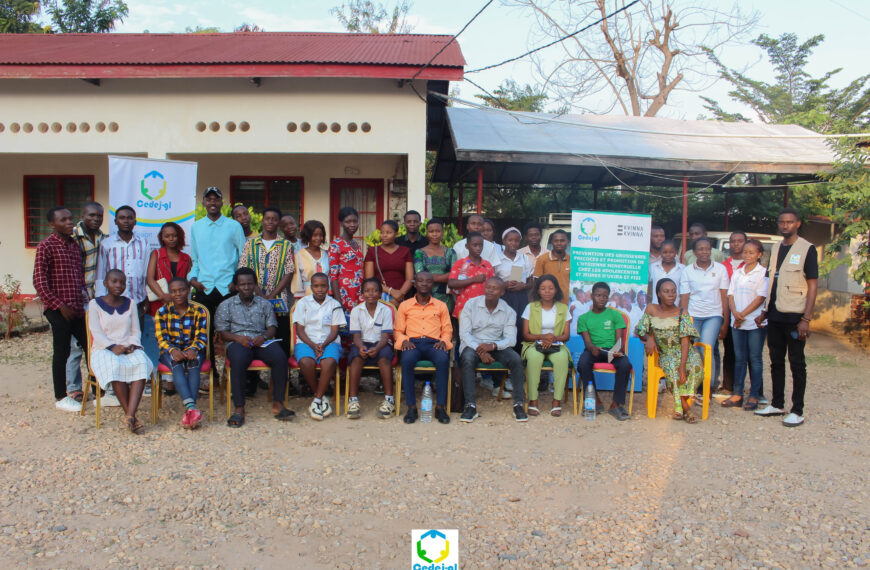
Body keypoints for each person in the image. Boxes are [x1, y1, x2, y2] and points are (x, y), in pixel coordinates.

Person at [754, 208, 818, 427]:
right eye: (782, 222)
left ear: (797, 224)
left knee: (797, 363)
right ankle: (777, 404)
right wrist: (765, 310)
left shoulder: (807, 248)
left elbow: (812, 284)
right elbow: (773, 280)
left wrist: (806, 319)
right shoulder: (776, 247)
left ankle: (797, 409)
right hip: (775, 315)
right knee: (776, 361)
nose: (785, 226)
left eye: (789, 222)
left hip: (795, 315)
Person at [216, 268, 293, 427]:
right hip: (237, 341)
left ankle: (278, 404)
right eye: (242, 284)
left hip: (261, 341)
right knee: (238, 359)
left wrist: (264, 337)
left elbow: (272, 327)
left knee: (280, 357)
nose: (246, 287)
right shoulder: (226, 305)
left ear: (255, 285)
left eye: (250, 284)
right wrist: (238, 338)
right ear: (236, 286)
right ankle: (239, 408)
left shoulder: (264, 304)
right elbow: (222, 332)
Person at [33, 206, 90, 411]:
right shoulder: (46, 246)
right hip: (57, 310)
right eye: (63, 220)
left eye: (70, 219)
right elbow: (39, 282)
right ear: (52, 224)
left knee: (90, 347)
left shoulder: (74, 246)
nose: (69, 223)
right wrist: (59, 306)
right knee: (62, 351)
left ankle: (99, 389)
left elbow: (78, 278)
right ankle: (61, 397)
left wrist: (83, 302)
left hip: (76, 308)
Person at [88, 269, 153, 434]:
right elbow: (96, 332)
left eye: (122, 282)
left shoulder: (130, 303)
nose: (118, 285)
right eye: (114, 281)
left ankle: (130, 415)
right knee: (115, 365)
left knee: (142, 363)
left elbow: (135, 331)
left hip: (127, 346)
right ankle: (131, 416)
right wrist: (112, 347)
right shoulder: (94, 304)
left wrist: (132, 345)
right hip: (104, 349)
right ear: (105, 283)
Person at [188, 187, 247, 367]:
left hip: (227, 287)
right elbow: (195, 259)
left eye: (216, 199)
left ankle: (238, 372)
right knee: (204, 331)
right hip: (204, 287)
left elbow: (243, 256)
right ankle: (210, 371)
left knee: (235, 330)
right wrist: (193, 279)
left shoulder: (233, 226)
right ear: (204, 203)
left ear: (222, 203)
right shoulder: (196, 227)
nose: (212, 202)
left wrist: (236, 282)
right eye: (209, 199)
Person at [458, 277, 528, 423]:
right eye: (488, 287)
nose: (490, 290)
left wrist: (493, 346)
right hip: (473, 344)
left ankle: (519, 404)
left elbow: (511, 339)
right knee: (467, 359)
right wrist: (480, 349)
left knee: (515, 359)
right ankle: (470, 405)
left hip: (496, 345)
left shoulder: (508, 311)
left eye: (494, 288)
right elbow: (464, 333)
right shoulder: (471, 304)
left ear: (502, 292)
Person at [635, 278, 704, 423]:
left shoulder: (682, 312)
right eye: (666, 291)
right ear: (659, 294)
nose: (671, 295)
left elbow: (685, 342)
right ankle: (685, 409)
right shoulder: (651, 309)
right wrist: (649, 338)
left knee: (696, 369)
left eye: (673, 291)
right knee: (672, 368)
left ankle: (680, 407)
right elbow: (640, 329)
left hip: (686, 353)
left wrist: (683, 367)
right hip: (667, 353)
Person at [395, 272, 453, 424]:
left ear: (432, 285)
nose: (424, 284)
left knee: (442, 360)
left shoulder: (441, 305)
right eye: (420, 281)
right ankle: (411, 408)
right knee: (406, 360)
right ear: (414, 284)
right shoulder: (405, 305)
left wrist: (444, 341)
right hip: (412, 343)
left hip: (434, 343)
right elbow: (398, 330)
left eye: (428, 281)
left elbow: (447, 329)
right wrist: (403, 340)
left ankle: (440, 407)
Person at [238, 206, 297, 356]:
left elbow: (289, 271)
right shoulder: (250, 244)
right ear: (262, 221)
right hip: (253, 298)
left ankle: (283, 375)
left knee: (282, 334)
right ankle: (253, 377)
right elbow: (244, 270)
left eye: (274, 219)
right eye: (267, 219)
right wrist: (259, 293)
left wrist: (271, 296)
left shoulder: (285, 245)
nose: (270, 222)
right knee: (254, 333)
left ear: (278, 223)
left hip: (279, 299)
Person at [65, 201, 106, 408]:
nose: (96, 219)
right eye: (92, 215)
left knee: (96, 344)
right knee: (75, 346)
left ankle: (97, 385)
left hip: (96, 300)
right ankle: (73, 388)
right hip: (76, 299)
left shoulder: (103, 238)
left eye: (99, 215)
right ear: (83, 215)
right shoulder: (72, 237)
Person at [154, 277, 208, 429]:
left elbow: (201, 335)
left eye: (182, 290)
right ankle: (192, 408)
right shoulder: (162, 312)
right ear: (169, 293)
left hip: (192, 349)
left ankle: (190, 410)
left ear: (189, 291)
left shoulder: (198, 311)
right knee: (176, 364)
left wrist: (194, 348)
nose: (178, 294)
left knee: (194, 364)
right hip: (170, 350)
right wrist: (173, 350)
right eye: (173, 291)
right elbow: (161, 337)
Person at [576, 282, 633, 421]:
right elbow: (587, 343)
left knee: (625, 364)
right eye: (598, 295)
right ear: (592, 296)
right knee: (583, 363)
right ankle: (594, 400)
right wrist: (592, 348)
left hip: (612, 351)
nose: (601, 298)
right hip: (593, 350)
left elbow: (619, 342)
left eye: (605, 296)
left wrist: (616, 351)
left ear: (608, 298)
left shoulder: (615, 315)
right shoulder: (583, 318)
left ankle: (616, 404)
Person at [679, 237, 730, 392]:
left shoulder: (720, 269)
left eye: (707, 249)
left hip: (713, 315)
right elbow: (685, 297)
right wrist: (685, 319)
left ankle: (707, 388)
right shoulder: (687, 271)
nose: (704, 252)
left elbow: (724, 296)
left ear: (712, 251)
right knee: (692, 350)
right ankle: (693, 385)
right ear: (694, 252)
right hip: (693, 315)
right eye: (700, 249)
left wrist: (725, 321)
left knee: (706, 348)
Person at [293, 273, 345, 420]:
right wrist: (314, 345)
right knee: (305, 361)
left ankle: (316, 400)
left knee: (329, 361)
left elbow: (335, 331)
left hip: (329, 341)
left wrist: (322, 345)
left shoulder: (334, 304)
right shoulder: (303, 303)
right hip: (306, 341)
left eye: (323, 286)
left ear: (328, 287)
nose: (320, 289)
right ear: (311, 287)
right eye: (316, 286)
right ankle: (321, 396)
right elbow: (300, 330)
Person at [724, 239, 768, 410]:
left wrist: (743, 314)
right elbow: (731, 295)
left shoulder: (763, 273)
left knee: (755, 359)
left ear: (759, 255)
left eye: (751, 252)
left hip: (755, 322)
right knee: (739, 358)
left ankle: (755, 395)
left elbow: (760, 298)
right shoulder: (738, 273)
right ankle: (737, 393)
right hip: (738, 322)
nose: (747, 255)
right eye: (745, 252)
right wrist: (735, 313)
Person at [521, 275, 572, 417]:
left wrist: (553, 338)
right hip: (533, 344)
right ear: (538, 291)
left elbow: (566, 336)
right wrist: (543, 337)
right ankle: (533, 401)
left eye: (551, 288)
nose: (547, 291)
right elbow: (526, 334)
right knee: (535, 358)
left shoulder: (563, 308)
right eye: (543, 288)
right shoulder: (530, 307)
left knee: (562, 358)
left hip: (556, 345)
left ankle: (556, 402)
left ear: (556, 290)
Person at [347, 278, 396, 419]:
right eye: (367, 291)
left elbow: (385, 336)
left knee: (384, 359)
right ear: (362, 294)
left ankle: (389, 399)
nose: (371, 294)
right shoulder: (356, 311)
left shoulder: (386, 310)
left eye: (375, 290)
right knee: (356, 358)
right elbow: (356, 336)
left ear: (380, 293)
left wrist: (378, 347)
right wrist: (361, 347)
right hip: (362, 342)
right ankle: (353, 400)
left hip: (381, 343)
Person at [95, 205, 151, 312]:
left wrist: (147, 298)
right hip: (112, 301)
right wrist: (100, 300)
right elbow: (101, 275)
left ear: (135, 221)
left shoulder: (144, 243)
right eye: (122, 218)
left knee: (137, 329)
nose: (126, 221)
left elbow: (146, 274)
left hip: (138, 301)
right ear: (116, 221)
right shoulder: (106, 244)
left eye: (130, 218)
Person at [721, 231, 747, 395]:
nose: (736, 244)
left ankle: (746, 387)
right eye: (733, 241)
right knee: (729, 350)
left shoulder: (751, 263)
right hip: (728, 312)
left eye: (740, 241)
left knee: (747, 353)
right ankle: (728, 385)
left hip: (746, 314)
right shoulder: (724, 266)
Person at [364, 220, 413, 308]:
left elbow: (410, 279)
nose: (384, 235)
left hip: (402, 297)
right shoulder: (372, 251)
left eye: (388, 232)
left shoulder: (405, 251)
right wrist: (391, 291)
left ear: (396, 234)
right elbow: (369, 279)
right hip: (379, 297)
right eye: (382, 232)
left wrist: (399, 296)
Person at [146, 222, 192, 316]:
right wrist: (163, 296)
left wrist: (180, 296)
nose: (171, 239)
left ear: (179, 236)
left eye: (174, 236)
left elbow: (188, 282)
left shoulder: (186, 258)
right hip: (160, 302)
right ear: (162, 237)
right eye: (167, 236)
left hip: (180, 303)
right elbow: (150, 279)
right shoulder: (156, 254)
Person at [447, 233, 495, 319]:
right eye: (475, 245)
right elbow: (451, 283)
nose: (478, 248)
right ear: (467, 246)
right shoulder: (460, 263)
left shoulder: (487, 265)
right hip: (464, 309)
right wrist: (474, 279)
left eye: (481, 245)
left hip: (483, 311)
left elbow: (494, 286)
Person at [413, 218, 457, 313]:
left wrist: (428, 277)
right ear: (426, 233)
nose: (434, 234)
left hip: (446, 298)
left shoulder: (451, 252)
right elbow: (420, 275)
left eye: (438, 231)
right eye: (431, 231)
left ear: (443, 233)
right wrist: (445, 276)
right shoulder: (419, 252)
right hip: (425, 296)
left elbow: (454, 275)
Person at [329, 207, 364, 317]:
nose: (352, 225)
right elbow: (333, 275)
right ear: (341, 223)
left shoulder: (357, 244)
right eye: (348, 222)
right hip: (344, 292)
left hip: (359, 291)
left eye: (355, 221)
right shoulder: (336, 245)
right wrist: (338, 300)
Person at [291, 220, 330, 298]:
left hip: (326, 297)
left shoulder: (327, 254)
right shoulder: (299, 255)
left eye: (321, 235)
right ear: (308, 236)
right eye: (315, 235)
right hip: (306, 296)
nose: (318, 238)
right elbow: (297, 279)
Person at [533, 229, 572, 304]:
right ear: (551, 242)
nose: (559, 243)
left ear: (568, 242)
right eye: (556, 241)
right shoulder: (542, 259)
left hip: (566, 304)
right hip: (547, 304)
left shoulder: (572, 261)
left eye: (562, 240)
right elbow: (536, 284)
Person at [648, 240, 684, 304]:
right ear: (660, 253)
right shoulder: (653, 267)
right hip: (657, 307)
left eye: (671, 252)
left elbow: (684, 291)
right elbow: (648, 287)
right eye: (664, 252)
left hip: (675, 307)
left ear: (676, 252)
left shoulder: (683, 269)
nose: (668, 255)